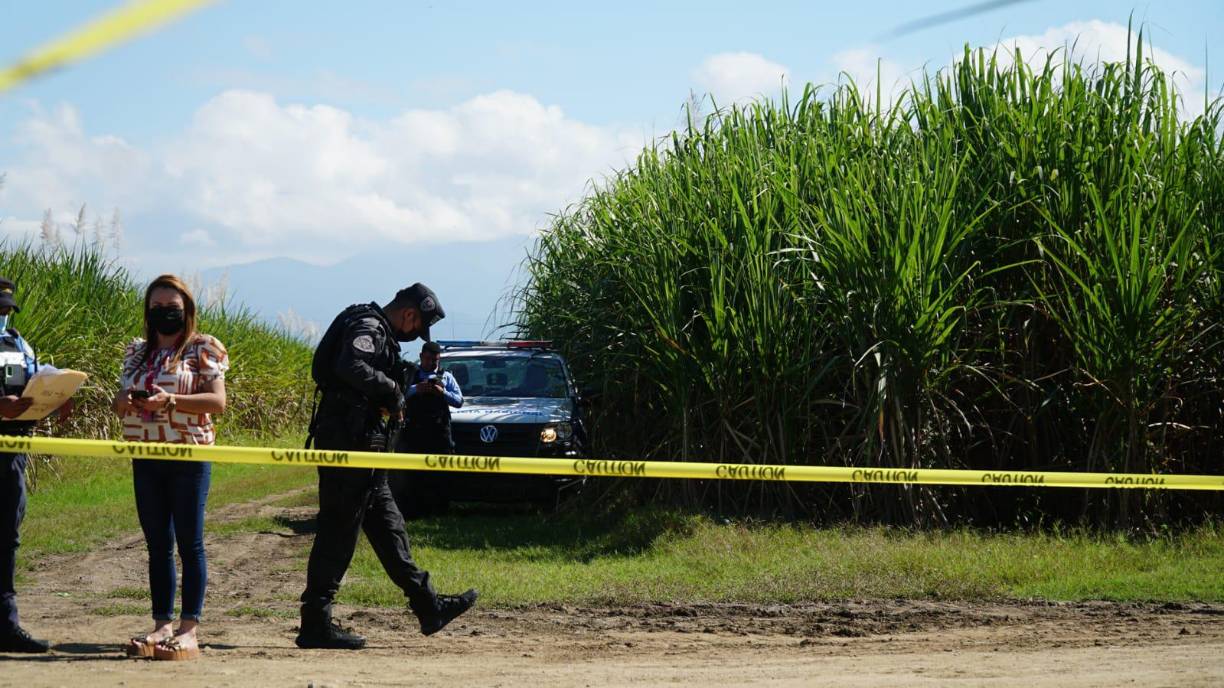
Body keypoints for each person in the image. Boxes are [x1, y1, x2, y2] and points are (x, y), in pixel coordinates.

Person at [298, 283, 477, 650]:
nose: (413, 336)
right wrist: (392, 391)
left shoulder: (374, 326)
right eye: (416, 328)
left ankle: (429, 606)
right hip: (351, 444)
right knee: (339, 530)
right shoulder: (370, 326)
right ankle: (315, 621)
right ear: (409, 314)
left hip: (366, 445)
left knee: (388, 527)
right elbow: (350, 364)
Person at [113, 275, 228, 661]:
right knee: (157, 544)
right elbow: (117, 403)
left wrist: (172, 401)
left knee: (189, 542)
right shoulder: (137, 351)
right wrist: (126, 399)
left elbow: (217, 402)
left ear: (187, 309)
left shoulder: (203, 349)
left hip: (188, 456)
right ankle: (161, 625)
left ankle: (189, 629)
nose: (164, 313)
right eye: (157, 307)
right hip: (145, 456)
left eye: (172, 307)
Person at [0, 277, 72, 653]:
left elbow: (34, 377)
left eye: (6, 310)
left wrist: (58, 393)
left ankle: (5, 624)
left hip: (12, 452)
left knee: (7, 537)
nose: (2, 315)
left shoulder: (18, 342)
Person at [389, 340, 463, 517]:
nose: (432, 363)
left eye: (435, 360)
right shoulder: (411, 375)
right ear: (421, 356)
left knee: (440, 474)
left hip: (439, 433)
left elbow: (459, 401)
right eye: (429, 359)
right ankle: (412, 510)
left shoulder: (447, 377)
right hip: (414, 432)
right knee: (412, 474)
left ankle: (439, 510)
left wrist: (442, 393)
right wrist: (416, 389)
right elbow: (397, 395)